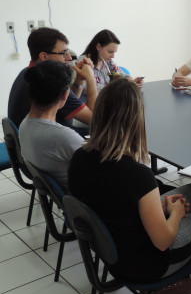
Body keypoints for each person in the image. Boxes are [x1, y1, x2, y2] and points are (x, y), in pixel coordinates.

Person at [68, 78, 191, 282]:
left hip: (112, 251)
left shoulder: (78, 158)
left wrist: (160, 207)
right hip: (148, 265)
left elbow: (118, 203)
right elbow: (163, 241)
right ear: (135, 119)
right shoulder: (137, 175)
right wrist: (175, 214)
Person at [8, 27, 97, 128]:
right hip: (49, 141)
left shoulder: (27, 72)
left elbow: (65, 102)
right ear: (44, 56)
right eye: (63, 53)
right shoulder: (50, 82)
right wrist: (91, 78)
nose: (68, 58)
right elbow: (95, 120)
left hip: (27, 140)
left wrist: (79, 80)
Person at [19, 60, 84, 193]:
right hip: (86, 205)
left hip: (69, 203)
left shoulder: (25, 125)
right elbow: (103, 169)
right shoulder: (64, 137)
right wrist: (90, 80)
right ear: (66, 94)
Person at [80, 29, 144, 92]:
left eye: (114, 52)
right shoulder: (84, 62)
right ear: (98, 46)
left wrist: (133, 82)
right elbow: (88, 88)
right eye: (110, 52)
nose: (113, 56)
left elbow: (122, 76)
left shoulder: (108, 62)